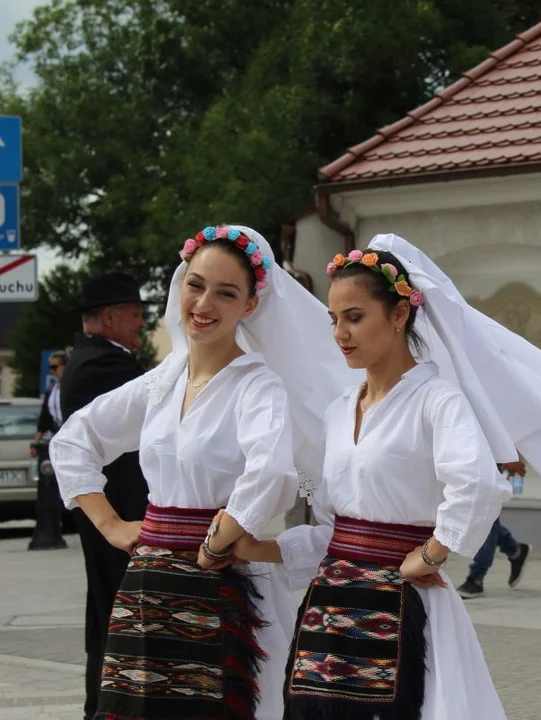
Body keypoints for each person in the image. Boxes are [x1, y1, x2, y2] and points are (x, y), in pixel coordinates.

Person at [233, 234, 541, 719]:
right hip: (331, 615)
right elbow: (332, 528)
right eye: (334, 320)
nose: (341, 333)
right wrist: (257, 549)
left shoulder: (437, 401)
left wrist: (432, 551)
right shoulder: (340, 410)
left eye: (355, 317)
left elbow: (479, 483)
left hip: (404, 608)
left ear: (400, 314)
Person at [51, 225, 348, 719]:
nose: (204, 302)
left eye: (225, 292)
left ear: (249, 306)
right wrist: (110, 524)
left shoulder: (257, 386)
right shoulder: (162, 381)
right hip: (148, 586)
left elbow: (270, 473)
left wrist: (216, 542)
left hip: (222, 585)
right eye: (196, 284)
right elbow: (74, 440)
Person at [58, 271, 149, 720]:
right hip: (117, 514)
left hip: (109, 512)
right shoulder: (105, 364)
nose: (142, 325)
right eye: (135, 316)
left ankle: (104, 706)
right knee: (119, 614)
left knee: (108, 613)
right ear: (110, 317)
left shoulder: (90, 357)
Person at [457, 455, 531, 599]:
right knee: (478, 518)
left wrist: (509, 455)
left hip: (487, 461)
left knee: (485, 519)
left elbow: (506, 432)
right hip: (466, 457)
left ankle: (476, 577)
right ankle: (515, 550)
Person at [31, 350, 67, 453]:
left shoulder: (75, 388)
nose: (52, 371)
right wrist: (36, 442)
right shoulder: (52, 390)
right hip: (56, 434)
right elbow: (45, 417)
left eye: (55, 367)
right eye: (51, 368)